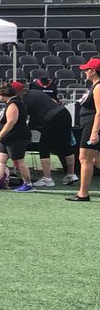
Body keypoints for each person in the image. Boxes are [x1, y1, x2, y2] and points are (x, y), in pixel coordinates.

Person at [21, 80, 77, 186]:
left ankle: (47, 178)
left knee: (44, 147)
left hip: (52, 117)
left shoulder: (24, 100)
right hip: (64, 113)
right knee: (65, 145)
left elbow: (29, 119)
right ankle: (71, 174)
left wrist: (28, 128)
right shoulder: (36, 92)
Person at [66, 57, 100, 202]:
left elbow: (99, 111)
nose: (85, 72)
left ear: (93, 71)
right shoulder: (95, 86)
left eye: (87, 70)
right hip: (89, 124)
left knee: (84, 158)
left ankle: (83, 193)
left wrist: (94, 132)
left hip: (92, 125)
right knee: (95, 159)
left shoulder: (98, 87)